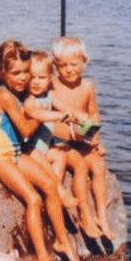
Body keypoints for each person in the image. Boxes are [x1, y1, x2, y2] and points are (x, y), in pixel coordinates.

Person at [0, 40, 81, 261]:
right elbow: (26, 129)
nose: (23, 78)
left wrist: (60, 115)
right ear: (1, 73)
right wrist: (40, 113)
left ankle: (62, 241)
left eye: (26, 72)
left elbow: (40, 111)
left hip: (15, 154)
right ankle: (42, 260)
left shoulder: (20, 93)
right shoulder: (4, 95)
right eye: (16, 73)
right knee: (33, 199)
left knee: (49, 184)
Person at [49, 36, 115, 240]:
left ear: (84, 62)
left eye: (74, 64)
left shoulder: (87, 86)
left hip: (83, 142)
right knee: (81, 167)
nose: (69, 70)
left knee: (99, 166)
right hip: (62, 144)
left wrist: (97, 140)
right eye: (63, 65)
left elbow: (93, 114)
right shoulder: (51, 86)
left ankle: (102, 216)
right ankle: (84, 216)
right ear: (55, 66)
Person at [21, 50, 85, 212]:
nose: (36, 82)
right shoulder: (29, 100)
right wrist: (59, 116)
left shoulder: (49, 95)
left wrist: (76, 116)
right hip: (30, 149)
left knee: (60, 156)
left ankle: (53, 188)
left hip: (44, 148)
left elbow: (65, 107)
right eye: (32, 77)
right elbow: (41, 115)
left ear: (50, 79)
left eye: (41, 78)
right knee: (45, 164)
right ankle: (60, 192)